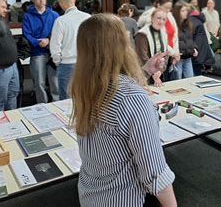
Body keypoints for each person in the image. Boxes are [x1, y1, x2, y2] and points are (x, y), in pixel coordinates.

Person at [71, 14, 176, 207]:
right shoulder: (132, 98)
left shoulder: (84, 88)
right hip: (126, 198)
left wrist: (144, 70)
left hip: (92, 195)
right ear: (122, 46)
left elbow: (113, 91)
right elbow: (155, 174)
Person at [50, 0, 90, 100]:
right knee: (86, 97)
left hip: (67, 65)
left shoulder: (60, 21)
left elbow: (55, 46)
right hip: (86, 64)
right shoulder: (88, 17)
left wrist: (58, 62)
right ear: (74, 0)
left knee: (67, 101)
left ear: (60, 4)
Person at [22, 0, 59, 103]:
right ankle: (42, 106)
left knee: (55, 82)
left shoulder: (54, 15)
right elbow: (26, 33)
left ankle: (57, 105)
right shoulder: (27, 16)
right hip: (37, 52)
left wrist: (48, 40)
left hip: (53, 52)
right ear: (33, 0)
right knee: (39, 82)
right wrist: (38, 43)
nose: (41, 1)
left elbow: (58, 32)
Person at [137, 0, 180, 79]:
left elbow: (175, 35)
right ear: (158, 5)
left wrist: (176, 52)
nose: (168, 10)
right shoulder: (151, 19)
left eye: (169, 8)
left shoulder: (169, 16)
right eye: (166, 7)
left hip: (168, 56)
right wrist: (172, 53)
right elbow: (156, 41)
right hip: (156, 59)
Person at [135, 9, 169, 87]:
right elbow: (142, 56)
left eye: (164, 19)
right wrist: (154, 74)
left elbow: (166, 54)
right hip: (144, 75)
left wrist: (160, 71)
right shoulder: (142, 34)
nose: (161, 21)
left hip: (158, 74)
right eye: (158, 18)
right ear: (151, 18)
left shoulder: (163, 33)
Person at [173, 0, 197, 79]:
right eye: (183, 10)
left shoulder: (188, 24)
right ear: (177, 12)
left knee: (190, 80)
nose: (185, 12)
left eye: (186, 10)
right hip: (178, 58)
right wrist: (174, 53)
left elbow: (191, 39)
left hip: (188, 57)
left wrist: (194, 48)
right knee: (177, 81)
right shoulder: (174, 25)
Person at [190, 6, 213, 76]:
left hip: (195, 50)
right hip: (201, 49)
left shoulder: (191, 21)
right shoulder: (199, 20)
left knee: (194, 72)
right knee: (197, 70)